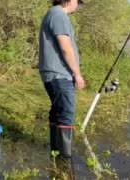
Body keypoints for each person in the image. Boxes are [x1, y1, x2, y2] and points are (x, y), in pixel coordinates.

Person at [39, 0, 85, 162]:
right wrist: (77, 74)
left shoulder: (54, 14)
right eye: (79, 2)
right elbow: (65, 47)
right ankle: (65, 159)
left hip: (54, 74)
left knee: (58, 112)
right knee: (66, 113)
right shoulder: (59, 15)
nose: (78, 6)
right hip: (59, 75)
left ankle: (56, 154)